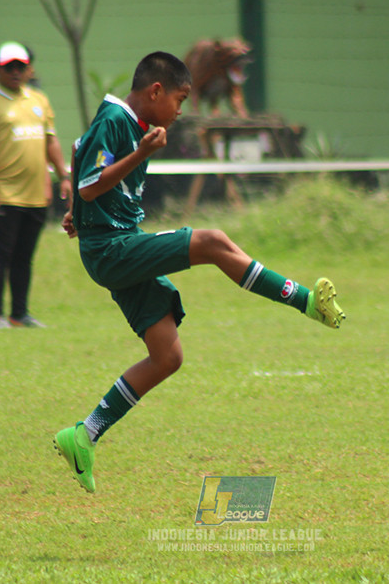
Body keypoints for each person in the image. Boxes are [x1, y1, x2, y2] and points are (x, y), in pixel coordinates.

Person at [54, 51, 345, 493]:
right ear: (156, 91)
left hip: (113, 245)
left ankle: (84, 435)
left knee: (167, 356)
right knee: (211, 242)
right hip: (113, 249)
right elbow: (90, 182)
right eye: (180, 99)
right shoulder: (117, 119)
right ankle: (306, 301)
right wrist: (135, 159)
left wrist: (78, 213)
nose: (180, 111)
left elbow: (80, 153)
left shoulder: (127, 122)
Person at [0, 41, 71, 328]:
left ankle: (19, 313)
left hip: (35, 193)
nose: (15, 72)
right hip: (3, 193)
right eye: (9, 67)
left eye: (20, 67)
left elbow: (51, 141)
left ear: (29, 70)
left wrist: (63, 176)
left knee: (24, 257)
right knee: (0, 255)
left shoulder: (39, 100)